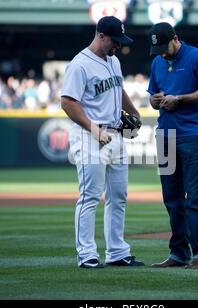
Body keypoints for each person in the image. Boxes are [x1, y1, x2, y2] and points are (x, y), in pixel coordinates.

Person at [60, 16, 144, 269]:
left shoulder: (113, 60)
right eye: (115, 40)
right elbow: (67, 102)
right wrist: (93, 129)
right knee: (90, 196)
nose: (118, 45)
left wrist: (134, 112)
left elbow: (118, 89)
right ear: (101, 36)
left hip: (116, 135)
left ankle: (117, 252)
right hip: (89, 137)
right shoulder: (80, 64)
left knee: (118, 196)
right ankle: (86, 254)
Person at [147, 22, 198, 269]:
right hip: (164, 136)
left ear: (175, 39)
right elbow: (152, 96)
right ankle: (178, 253)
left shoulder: (197, 57)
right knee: (171, 198)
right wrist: (154, 100)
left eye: (164, 47)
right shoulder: (157, 61)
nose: (161, 54)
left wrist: (180, 99)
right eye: (157, 49)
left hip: (191, 135)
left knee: (194, 198)